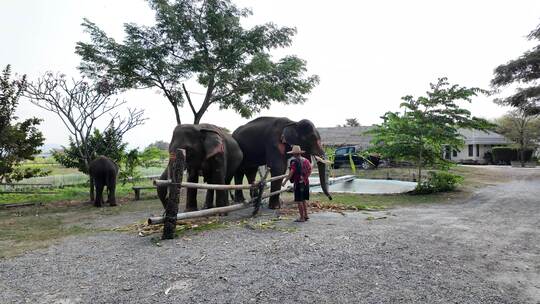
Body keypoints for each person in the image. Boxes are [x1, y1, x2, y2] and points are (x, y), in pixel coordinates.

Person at [282, 145, 312, 222]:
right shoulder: (306, 160)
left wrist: (285, 181)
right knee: (304, 200)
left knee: (299, 200)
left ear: (294, 154)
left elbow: (291, 172)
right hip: (306, 182)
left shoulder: (294, 162)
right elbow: (310, 170)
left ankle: (302, 217)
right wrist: (305, 177)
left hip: (298, 183)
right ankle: (306, 215)